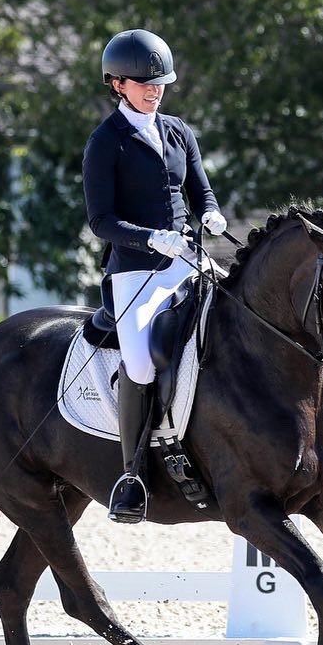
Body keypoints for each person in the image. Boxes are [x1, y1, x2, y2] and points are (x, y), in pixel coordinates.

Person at [82, 28, 227, 524]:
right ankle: (131, 475)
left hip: (188, 259)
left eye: (160, 83)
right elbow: (100, 221)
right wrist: (149, 238)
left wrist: (210, 214)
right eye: (144, 84)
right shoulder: (106, 143)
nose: (155, 90)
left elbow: (200, 190)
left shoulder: (178, 130)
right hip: (136, 271)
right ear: (117, 84)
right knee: (141, 366)